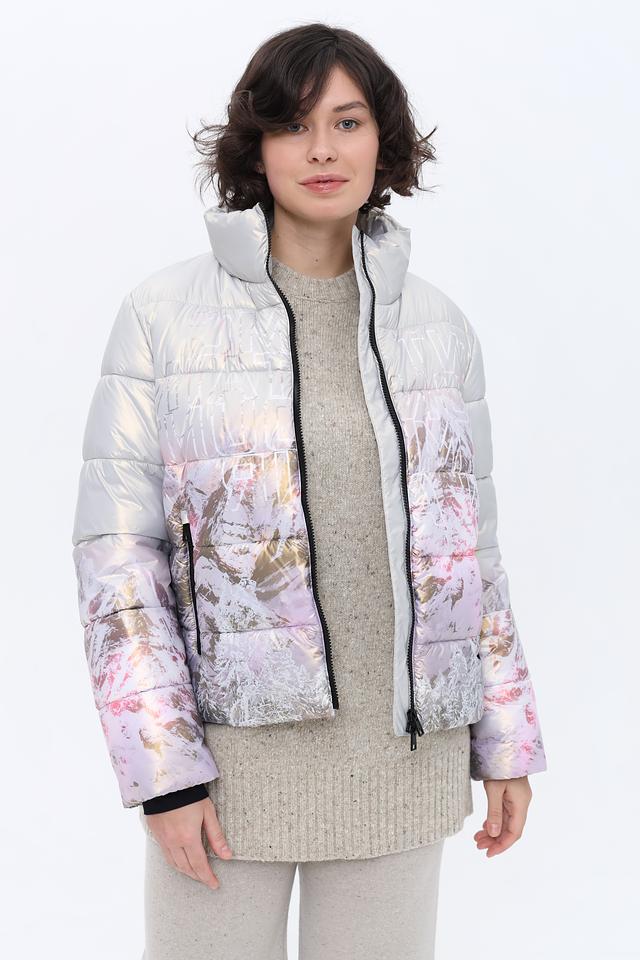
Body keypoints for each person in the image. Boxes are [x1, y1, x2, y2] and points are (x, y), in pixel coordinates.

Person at [71, 22, 547, 960]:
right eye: (293, 125)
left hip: (402, 764)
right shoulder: (163, 318)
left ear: (384, 141)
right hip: (225, 775)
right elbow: (119, 564)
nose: (323, 149)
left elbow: (471, 560)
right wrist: (164, 771)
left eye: (348, 122)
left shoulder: (440, 329)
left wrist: (507, 742)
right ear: (255, 147)